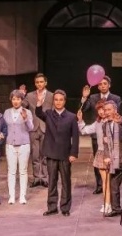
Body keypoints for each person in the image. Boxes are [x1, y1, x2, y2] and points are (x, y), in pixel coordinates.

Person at [35, 89, 79, 217]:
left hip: (65, 154)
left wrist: (73, 153)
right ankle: (52, 207)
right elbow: (38, 113)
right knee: (52, 181)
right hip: (51, 153)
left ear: (65, 101)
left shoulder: (71, 117)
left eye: (61, 100)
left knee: (66, 182)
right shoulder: (48, 114)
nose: (58, 102)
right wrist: (39, 103)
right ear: (53, 101)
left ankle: (65, 207)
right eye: (56, 100)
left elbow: (75, 137)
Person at [79, 75, 122, 194]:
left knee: (112, 160)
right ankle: (100, 184)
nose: (102, 86)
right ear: (97, 86)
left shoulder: (116, 98)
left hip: (111, 135)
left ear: (109, 85)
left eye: (105, 84)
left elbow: (118, 115)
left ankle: (112, 183)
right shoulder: (93, 97)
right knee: (98, 160)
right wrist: (84, 97)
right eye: (100, 84)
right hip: (97, 134)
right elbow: (84, 109)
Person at [77, 100, 113, 214]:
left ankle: (110, 204)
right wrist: (80, 120)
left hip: (112, 154)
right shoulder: (98, 123)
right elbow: (84, 130)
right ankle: (107, 203)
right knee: (105, 181)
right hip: (101, 153)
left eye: (103, 109)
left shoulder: (113, 122)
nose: (101, 112)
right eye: (99, 110)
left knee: (111, 182)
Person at [3, 89, 35, 204]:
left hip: (24, 145)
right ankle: (11, 196)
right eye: (13, 99)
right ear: (11, 100)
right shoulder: (7, 112)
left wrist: (26, 118)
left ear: (22, 100)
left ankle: (22, 196)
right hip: (10, 145)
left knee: (23, 171)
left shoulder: (27, 112)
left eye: (18, 99)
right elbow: (4, 127)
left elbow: (31, 128)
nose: (16, 101)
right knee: (11, 171)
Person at [26, 73, 53, 188]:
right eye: (37, 82)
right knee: (35, 154)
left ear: (45, 83)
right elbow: (23, 105)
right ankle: (37, 177)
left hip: (46, 127)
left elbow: (53, 112)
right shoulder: (29, 95)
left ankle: (45, 178)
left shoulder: (51, 96)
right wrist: (21, 95)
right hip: (33, 127)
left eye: (41, 82)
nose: (39, 84)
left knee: (45, 155)